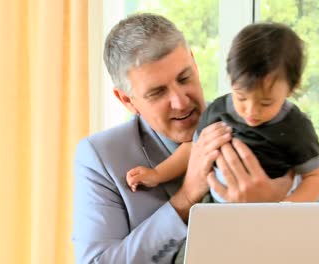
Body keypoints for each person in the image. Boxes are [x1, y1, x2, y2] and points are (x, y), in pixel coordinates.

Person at [72, 13, 297, 263]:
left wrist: (274, 208)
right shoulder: (101, 158)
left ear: (196, 65)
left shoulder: (263, 124)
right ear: (127, 100)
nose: (181, 102)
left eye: (184, 78)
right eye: (157, 92)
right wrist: (186, 199)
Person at [126, 22, 319, 203]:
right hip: (214, 210)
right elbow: (193, 149)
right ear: (231, 79)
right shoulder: (219, 111)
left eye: (266, 103)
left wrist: (282, 209)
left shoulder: (296, 127)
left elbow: (314, 177)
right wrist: (157, 174)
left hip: (271, 213)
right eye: (241, 97)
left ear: (291, 88)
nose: (251, 111)